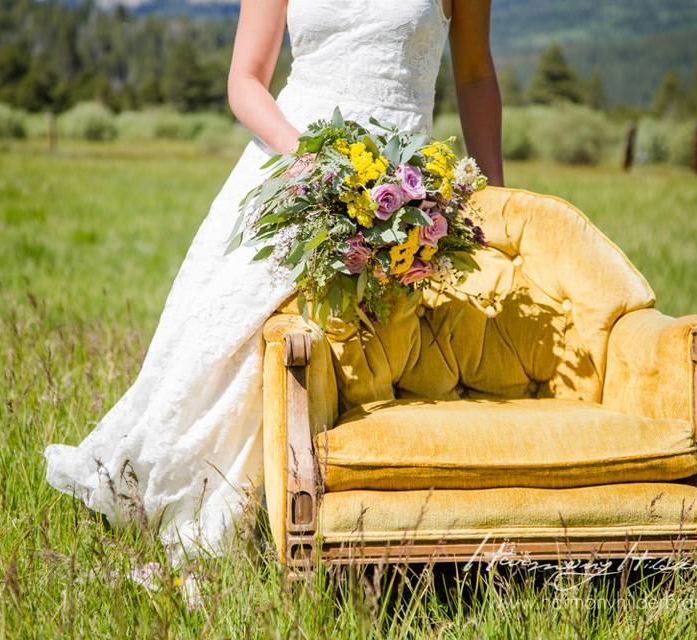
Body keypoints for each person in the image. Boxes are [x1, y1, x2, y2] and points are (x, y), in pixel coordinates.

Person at [44, 0, 503, 561]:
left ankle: (336, 518)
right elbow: (245, 80)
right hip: (291, 166)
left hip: (400, 190)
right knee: (231, 343)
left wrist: (495, 201)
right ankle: (216, 505)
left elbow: (476, 74)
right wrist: (305, 157)